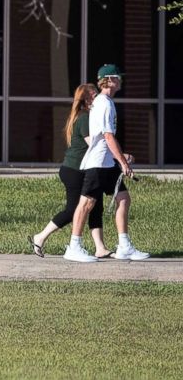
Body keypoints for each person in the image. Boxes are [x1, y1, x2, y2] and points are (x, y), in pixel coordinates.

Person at [64, 64, 149, 263]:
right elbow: (108, 136)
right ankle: (74, 247)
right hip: (98, 163)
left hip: (107, 163)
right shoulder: (103, 103)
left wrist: (117, 160)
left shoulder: (106, 102)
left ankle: (124, 246)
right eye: (118, 77)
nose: (121, 81)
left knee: (124, 198)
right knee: (87, 203)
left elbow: (109, 137)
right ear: (109, 80)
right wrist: (123, 162)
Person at [28, 84, 111, 258]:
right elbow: (94, 145)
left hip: (86, 170)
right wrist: (119, 154)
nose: (99, 97)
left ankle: (100, 248)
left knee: (96, 207)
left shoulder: (89, 117)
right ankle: (40, 237)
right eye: (94, 95)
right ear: (87, 100)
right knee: (74, 209)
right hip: (74, 171)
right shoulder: (85, 118)